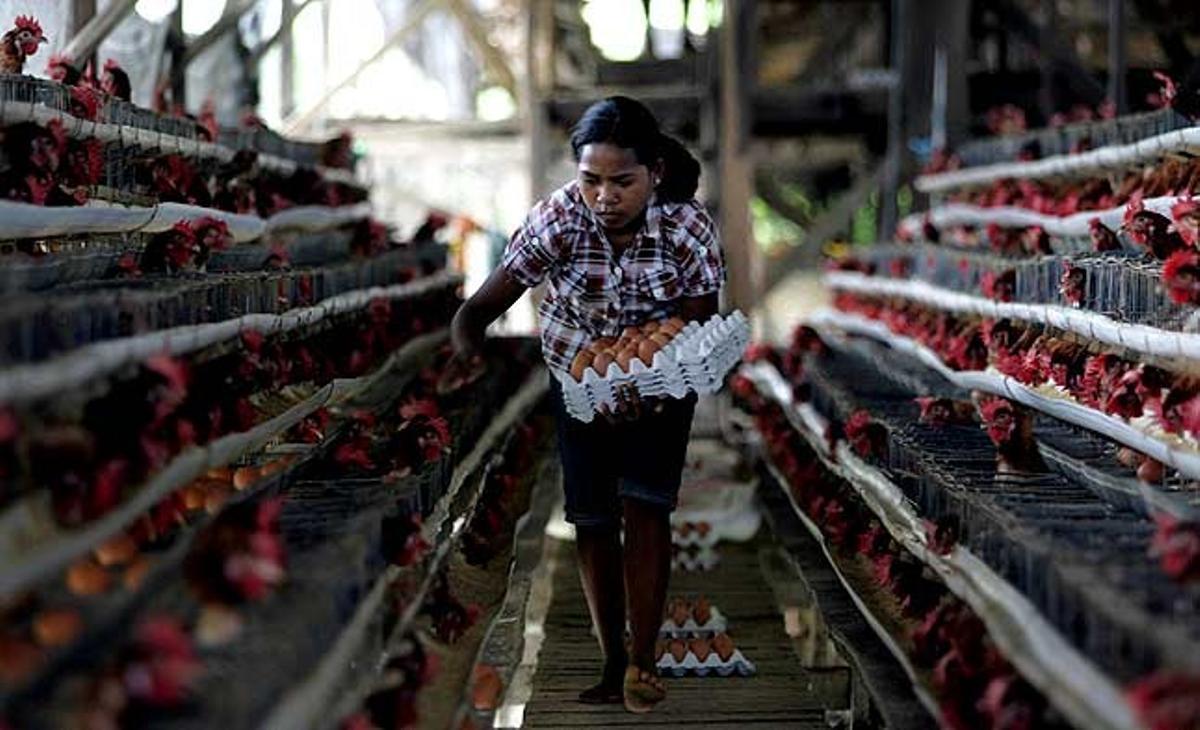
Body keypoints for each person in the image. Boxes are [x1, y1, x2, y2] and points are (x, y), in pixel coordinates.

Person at [449, 95, 725, 714]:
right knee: (593, 519)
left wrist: (654, 382)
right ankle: (612, 660)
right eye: (591, 179)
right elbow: (480, 309)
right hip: (579, 382)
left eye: (622, 182)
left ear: (654, 172)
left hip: (661, 384)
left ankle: (644, 660)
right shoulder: (558, 220)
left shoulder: (686, 226)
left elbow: (697, 324)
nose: (604, 196)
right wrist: (467, 351)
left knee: (646, 506)